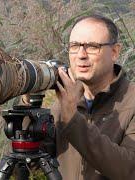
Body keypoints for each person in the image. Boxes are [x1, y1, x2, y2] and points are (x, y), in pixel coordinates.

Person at [23, 14, 135, 179]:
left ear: (114, 51)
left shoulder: (131, 103)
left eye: (92, 46)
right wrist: (28, 109)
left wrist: (72, 119)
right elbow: (31, 167)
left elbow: (128, 169)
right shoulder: (61, 106)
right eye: (74, 46)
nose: (81, 55)